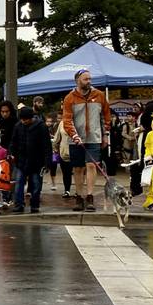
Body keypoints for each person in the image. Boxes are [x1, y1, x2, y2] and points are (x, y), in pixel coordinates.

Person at [62, 69, 111, 212]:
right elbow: (67, 120)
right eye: (85, 79)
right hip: (76, 139)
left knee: (91, 165)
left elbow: (106, 116)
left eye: (90, 79)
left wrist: (105, 134)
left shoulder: (99, 95)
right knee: (78, 168)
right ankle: (79, 196)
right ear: (77, 80)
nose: (89, 81)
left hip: (94, 137)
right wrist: (74, 135)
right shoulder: (69, 98)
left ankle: (90, 197)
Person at [8, 107, 52, 214]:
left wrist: (47, 162)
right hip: (21, 160)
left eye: (25, 119)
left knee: (36, 185)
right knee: (19, 184)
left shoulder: (41, 127)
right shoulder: (18, 126)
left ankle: (34, 205)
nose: (23, 121)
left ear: (31, 118)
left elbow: (46, 146)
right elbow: (13, 141)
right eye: (22, 119)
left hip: (37, 161)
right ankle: (19, 204)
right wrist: (11, 153)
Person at [51, 116, 73, 198]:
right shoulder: (62, 123)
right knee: (66, 172)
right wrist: (55, 147)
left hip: (77, 152)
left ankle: (78, 192)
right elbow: (57, 137)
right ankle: (67, 190)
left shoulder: (80, 121)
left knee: (79, 171)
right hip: (64, 153)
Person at [44, 113, 58, 191]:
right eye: (47, 121)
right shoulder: (43, 129)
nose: (49, 123)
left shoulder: (54, 129)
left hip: (53, 152)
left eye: (50, 121)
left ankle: (54, 183)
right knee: (44, 167)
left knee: (54, 166)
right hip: (45, 152)